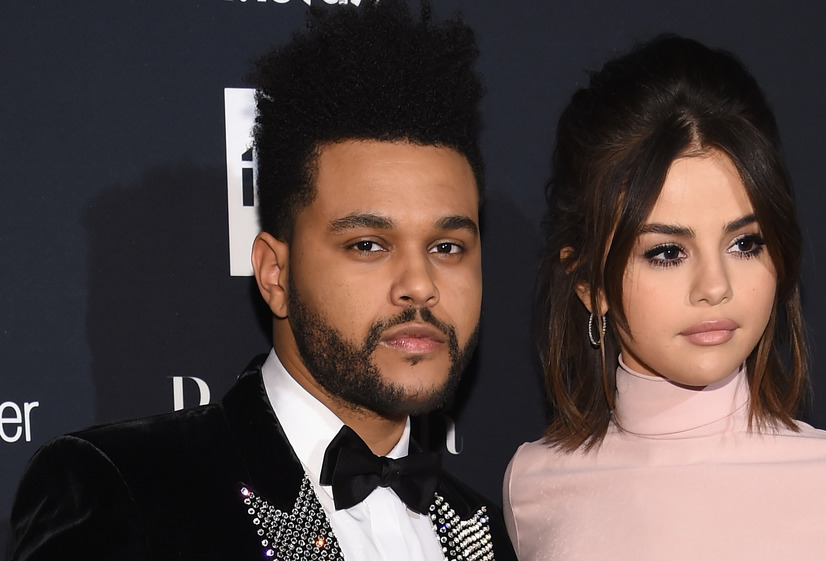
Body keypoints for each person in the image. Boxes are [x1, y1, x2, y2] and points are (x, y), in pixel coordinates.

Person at [8, 2, 515, 560]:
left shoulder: (483, 530)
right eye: (367, 245)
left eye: (447, 247)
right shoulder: (126, 488)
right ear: (275, 273)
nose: (420, 285)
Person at [503, 34, 826, 560]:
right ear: (589, 284)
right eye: (667, 253)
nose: (715, 287)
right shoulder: (532, 485)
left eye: (745, 243)